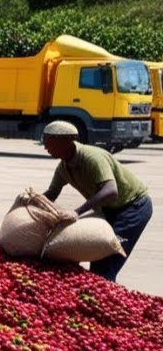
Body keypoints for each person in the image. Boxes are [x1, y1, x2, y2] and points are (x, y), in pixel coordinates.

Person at [41, 120, 153, 282]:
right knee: (97, 260)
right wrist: (32, 201)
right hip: (108, 211)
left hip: (133, 208)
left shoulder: (92, 157)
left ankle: (108, 296)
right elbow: (52, 193)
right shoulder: (63, 168)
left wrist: (76, 212)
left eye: (48, 142)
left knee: (105, 265)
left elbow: (110, 191)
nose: (45, 147)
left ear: (65, 140)